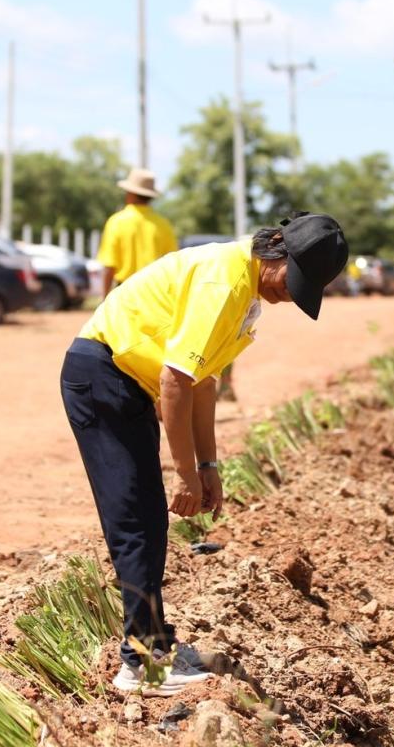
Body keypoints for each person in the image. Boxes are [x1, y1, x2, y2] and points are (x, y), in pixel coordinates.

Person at [61, 212, 348, 695]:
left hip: (126, 383)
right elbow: (174, 380)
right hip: (103, 377)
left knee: (149, 521)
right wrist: (185, 473)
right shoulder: (224, 283)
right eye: (291, 280)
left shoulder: (245, 294)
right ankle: (143, 665)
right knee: (135, 520)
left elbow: (202, 383)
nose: (288, 294)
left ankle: (155, 645)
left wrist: (209, 466)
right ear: (275, 248)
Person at [96, 167, 178, 297]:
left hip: (125, 293)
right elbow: (173, 267)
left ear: (130, 193)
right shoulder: (163, 225)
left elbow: (109, 267)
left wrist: (104, 302)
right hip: (155, 293)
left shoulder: (116, 222)